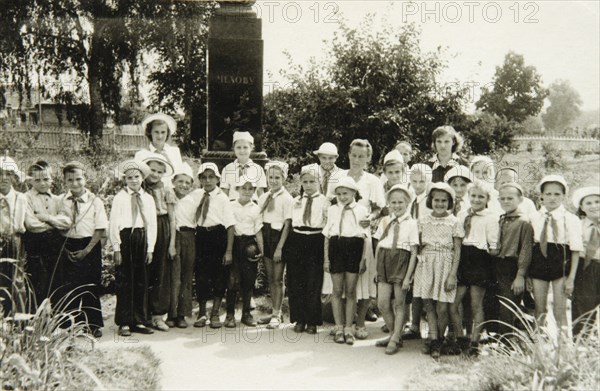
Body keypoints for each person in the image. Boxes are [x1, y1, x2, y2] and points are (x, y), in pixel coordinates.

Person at [322, 139, 386, 339]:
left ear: (368, 158)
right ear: (348, 155)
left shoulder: (372, 181)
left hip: (361, 236)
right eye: (354, 155)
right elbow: (330, 203)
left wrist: (371, 218)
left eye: (362, 156)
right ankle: (342, 325)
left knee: (362, 281)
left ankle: (359, 324)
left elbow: (381, 208)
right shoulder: (338, 177)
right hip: (340, 238)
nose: (357, 159)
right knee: (340, 285)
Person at [57, 161, 108, 337]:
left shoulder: (95, 201)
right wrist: (64, 250)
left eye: (78, 179)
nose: (75, 183)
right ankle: (71, 324)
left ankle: (93, 324)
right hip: (68, 245)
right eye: (70, 180)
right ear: (65, 181)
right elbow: (56, 226)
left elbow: (100, 228)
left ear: (85, 178)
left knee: (90, 285)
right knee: (69, 286)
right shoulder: (61, 201)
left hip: (89, 245)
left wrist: (87, 250)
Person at [413, 182, 464, 359]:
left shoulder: (454, 222)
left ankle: (439, 339)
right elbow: (417, 246)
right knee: (429, 307)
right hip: (427, 264)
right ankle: (434, 340)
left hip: (445, 265)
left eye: (444, 200)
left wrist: (452, 274)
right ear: (430, 201)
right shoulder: (423, 220)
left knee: (442, 308)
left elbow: (457, 249)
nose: (440, 204)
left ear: (449, 202)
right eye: (436, 200)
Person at [450, 180, 499, 355]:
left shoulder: (491, 218)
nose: (476, 199)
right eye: (473, 196)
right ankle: (460, 338)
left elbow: (493, 246)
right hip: (464, 258)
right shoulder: (463, 215)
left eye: (481, 197)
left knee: (476, 304)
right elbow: (458, 238)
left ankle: (474, 343)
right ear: (468, 196)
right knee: (454, 303)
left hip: (480, 260)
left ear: (487, 199)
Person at [110, 159, 157, 337]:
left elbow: (152, 224)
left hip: (142, 238)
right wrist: (116, 247)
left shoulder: (148, 199)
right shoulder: (120, 198)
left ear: (142, 178)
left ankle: (139, 320)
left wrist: (150, 248)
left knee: (141, 280)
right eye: (129, 178)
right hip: (125, 239)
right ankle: (124, 322)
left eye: (136, 177)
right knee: (125, 281)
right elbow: (113, 223)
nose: (134, 180)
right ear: (125, 180)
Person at [529, 175, 583, 330]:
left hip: (561, 263)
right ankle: (539, 347)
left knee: (560, 310)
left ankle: (563, 348)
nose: (552, 198)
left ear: (564, 196)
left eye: (557, 194)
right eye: (548, 194)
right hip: (539, 263)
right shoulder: (533, 217)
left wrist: (571, 278)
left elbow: (575, 249)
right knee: (540, 309)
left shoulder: (571, 219)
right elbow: (529, 246)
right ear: (541, 196)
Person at [373, 184, 419, 355]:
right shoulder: (385, 221)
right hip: (384, 260)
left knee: (399, 303)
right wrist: (377, 269)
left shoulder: (412, 223)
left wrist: (408, 277)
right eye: (393, 202)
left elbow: (414, 252)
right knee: (383, 303)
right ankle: (394, 334)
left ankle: (394, 338)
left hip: (401, 260)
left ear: (407, 203)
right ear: (389, 204)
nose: (397, 205)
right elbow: (378, 245)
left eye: (401, 202)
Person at [324, 177, 369, 345]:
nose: (342, 197)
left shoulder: (362, 210)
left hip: (354, 248)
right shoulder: (333, 210)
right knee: (336, 291)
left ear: (354, 193)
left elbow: (365, 237)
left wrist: (363, 259)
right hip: (336, 246)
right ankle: (339, 327)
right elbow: (327, 235)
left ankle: (349, 328)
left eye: (346, 193)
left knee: (350, 291)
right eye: (339, 194)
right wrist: (326, 260)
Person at [190, 163, 236, 329]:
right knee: (201, 275)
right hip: (201, 237)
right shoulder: (196, 195)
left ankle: (215, 312)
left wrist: (229, 251)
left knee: (219, 276)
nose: (207, 180)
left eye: (211, 177)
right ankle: (202, 312)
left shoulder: (223, 198)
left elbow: (230, 226)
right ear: (200, 179)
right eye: (204, 177)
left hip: (218, 237)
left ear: (218, 179)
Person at [285, 166, 328, 335]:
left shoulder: (325, 201)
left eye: (312, 181)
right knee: (296, 280)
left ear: (319, 182)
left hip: (316, 239)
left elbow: (327, 223)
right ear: (301, 183)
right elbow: (290, 223)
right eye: (305, 182)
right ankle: (299, 319)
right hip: (297, 239)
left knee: (313, 281)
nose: (308, 185)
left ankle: (312, 320)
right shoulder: (295, 201)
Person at [489, 182, 533, 336]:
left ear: (520, 199)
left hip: (512, 267)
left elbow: (526, 250)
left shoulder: (524, 222)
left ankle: (507, 341)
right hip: (497, 264)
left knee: (508, 305)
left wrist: (520, 275)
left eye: (510, 198)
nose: (506, 201)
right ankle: (496, 336)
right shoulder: (501, 219)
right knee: (495, 301)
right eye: (502, 198)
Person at [23, 161, 69, 308]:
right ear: (30, 180)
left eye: (46, 179)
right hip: (35, 244)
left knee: (58, 281)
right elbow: (31, 224)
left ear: (52, 179)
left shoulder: (58, 199)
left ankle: (58, 323)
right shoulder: (26, 198)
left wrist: (47, 218)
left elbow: (67, 222)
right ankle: (36, 322)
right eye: (37, 180)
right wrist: (54, 224)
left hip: (55, 244)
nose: (42, 183)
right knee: (37, 282)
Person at [140, 153, 175, 332]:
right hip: (143, 227)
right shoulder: (139, 185)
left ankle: (158, 314)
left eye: (159, 171)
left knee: (160, 271)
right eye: (152, 170)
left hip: (161, 226)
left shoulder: (166, 189)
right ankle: (142, 314)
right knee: (144, 268)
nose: (155, 174)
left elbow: (171, 217)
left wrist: (171, 243)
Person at [257, 161, 293, 329]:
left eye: (277, 177)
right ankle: (273, 312)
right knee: (270, 278)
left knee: (278, 279)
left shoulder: (287, 199)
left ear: (284, 178)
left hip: (279, 238)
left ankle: (277, 314)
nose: (273, 181)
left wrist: (279, 247)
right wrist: (261, 244)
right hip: (266, 236)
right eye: (270, 177)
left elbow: (287, 224)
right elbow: (259, 219)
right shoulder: (264, 197)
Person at [226, 176, 265, 328]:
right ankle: (230, 314)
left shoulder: (256, 208)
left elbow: (258, 232)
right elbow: (228, 227)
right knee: (232, 279)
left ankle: (246, 314)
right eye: (244, 188)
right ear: (237, 189)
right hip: (234, 243)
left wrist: (261, 251)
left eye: (251, 189)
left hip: (249, 244)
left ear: (254, 191)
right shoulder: (230, 206)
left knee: (248, 280)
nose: (247, 191)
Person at [401, 163, 433, 340]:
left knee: (424, 287)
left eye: (422, 181)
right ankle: (412, 325)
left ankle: (427, 326)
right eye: (414, 181)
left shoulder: (430, 200)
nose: (418, 184)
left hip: (425, 246)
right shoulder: (410, 198)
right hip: (410, 245)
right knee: (411, 286)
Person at [167, 162, 196, 328]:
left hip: (190, 237)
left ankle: (182, 314)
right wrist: (172, 245)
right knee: (174, 277)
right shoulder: (170, 198)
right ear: (173, 182)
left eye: (187, 182)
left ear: (191, 185)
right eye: (180, 181)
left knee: (186, 276)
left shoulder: (193, 200)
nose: (183, 185)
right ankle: (171, 314)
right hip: (175, 237)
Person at [570, 186, 600, 335]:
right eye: (589, 203)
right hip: (585, 269)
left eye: (597, 201)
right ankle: (582, 346)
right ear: (582, 207)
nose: (594, 206)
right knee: (584, 307)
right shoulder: (578, 225)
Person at [0, 155, 27, 316]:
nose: (3, 178)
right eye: (0, 173)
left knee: (17, 282)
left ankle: (19, 323)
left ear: (14, 177)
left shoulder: (21, 199)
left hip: (16, 242)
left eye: (8, 173)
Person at [135, 113, 183, 187]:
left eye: (163, 132)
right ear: (150, 132)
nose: (160, 136)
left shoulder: (174, 152)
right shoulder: (141, 154)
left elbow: (179, 176)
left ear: (167, 133)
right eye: (156, 132)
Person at [220, 131, 267, 200]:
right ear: (234, 148)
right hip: (232, 207)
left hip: (252, 207)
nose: (242, 151)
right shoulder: (227, 169)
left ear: (251, 148)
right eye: (238, 147)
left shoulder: (258, 169)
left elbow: (261, 194)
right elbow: (224, 193)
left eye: (245, 147)